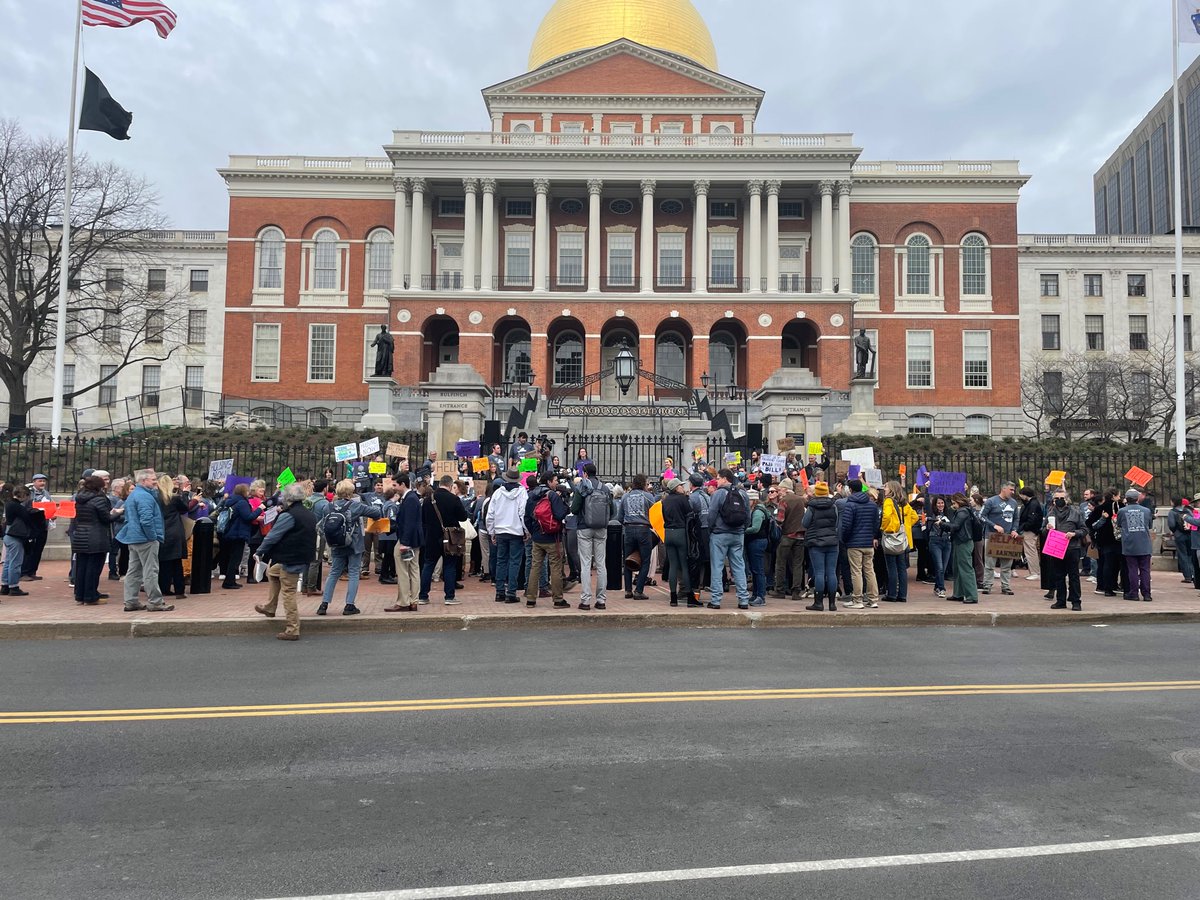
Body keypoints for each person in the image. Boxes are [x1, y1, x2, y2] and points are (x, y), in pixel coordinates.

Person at [251, 483, 317, 640]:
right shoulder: (308, 514)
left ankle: (292, 628)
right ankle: (270, 607)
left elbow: (273, 535)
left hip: (290, 557)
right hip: (301, 555)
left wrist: (260, 551)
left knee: (289, 592)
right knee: (272, 572)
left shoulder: (289, 515)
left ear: (288, 498)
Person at [319, 479, 384, 615]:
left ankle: (324, 604)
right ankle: (349, 605)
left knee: (334, 573)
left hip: (336, 544)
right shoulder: (355, 506)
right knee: (354, 572)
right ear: (350, 493)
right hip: (354, 544)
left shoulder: (328, 507)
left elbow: (321, 525)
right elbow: (376, 513)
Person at [117, 469, 173, 612]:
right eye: (153, 480)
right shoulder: (145, 497)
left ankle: (131, 601)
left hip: (134, 537)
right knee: (150, 571)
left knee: (134, 570)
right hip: (145, 538)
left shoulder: (135, 495)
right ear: (143, 481)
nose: (156, 482)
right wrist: (152, 536)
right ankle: (155, 602)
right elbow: (146, 520)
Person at [707, 468, 752, 610]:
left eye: (718, 478)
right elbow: (748, 516)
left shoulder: (718, 493)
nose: (717, 481)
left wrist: (711, 529)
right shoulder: (742, 494)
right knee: (739, 567)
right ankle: (743, 599)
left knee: (717, 567)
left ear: (725, 478)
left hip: (720, 534)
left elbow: (711, 514)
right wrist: (742, 529)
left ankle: (716, 600)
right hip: (738, 534)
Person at [522, 472, 568, 608]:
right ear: (548, 482)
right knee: (555, 567)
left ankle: (530, 598)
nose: (556, 483)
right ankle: (558, 599)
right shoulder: (552, 495)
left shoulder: (531, 494)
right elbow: (560, 515)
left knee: (535, 566)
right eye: (555, 480)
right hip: (553, 537)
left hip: (537, 537)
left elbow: (526, 517)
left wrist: (533, 532)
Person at [420, 475, 468, 605]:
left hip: (431, 537)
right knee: (450, 566)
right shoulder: (454, 499)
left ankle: (423, 596)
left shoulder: (428, 500)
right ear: (451, 485)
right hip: (450, 538)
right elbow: (463, 517)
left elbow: (423, 519)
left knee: (428, 565)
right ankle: (449, 596)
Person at [571, 462, 611, 611]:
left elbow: (574, 509)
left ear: (585, 474)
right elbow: (611, 509)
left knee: (586, 564)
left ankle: (585, 600)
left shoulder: (582, 486)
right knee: (601, 564)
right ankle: (601, 600)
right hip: (601, 528)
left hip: (584, 528)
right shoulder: (605, 488)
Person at [486, 469, 527, 605]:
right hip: (515, 531)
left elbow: (490, 514)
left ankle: (499, 591)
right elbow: (523, 512)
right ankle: (511, 592)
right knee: (514, 561)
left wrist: (492, 532)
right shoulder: (521, 492)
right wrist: (526, 530)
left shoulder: (498, 493)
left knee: (501, 561)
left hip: (500, 531)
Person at [71, 475, 113, 605]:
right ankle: (90, 595)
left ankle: (80, 594)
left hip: (80, 535)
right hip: (96, 536)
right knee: (93, 568)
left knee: (81, 566)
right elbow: (106, 518)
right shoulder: (99, 499)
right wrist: (118, 513)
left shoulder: (80, 498)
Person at [839, 479, 881, 610]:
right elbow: (876, 524)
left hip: (854, 543)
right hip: (868, 542)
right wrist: (873, 536)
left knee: (856, 571)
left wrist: (845, 539)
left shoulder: (850, 505)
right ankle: (873, 599)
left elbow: (846, 526)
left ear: (851, 490)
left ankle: (857, 599)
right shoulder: (872, 505)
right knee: (869, 570)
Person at [384, 475, 423, 612]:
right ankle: (413, 601)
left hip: (408, 540)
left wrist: (404, 542)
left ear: (402, 484)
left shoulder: (410, 499)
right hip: (412, 539)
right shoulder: (410, 498)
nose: (393, 488)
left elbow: (409, 523)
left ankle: (404, 601)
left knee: (404, 571)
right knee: (413, 569)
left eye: (395, 485)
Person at [1044, 488, 1086, 611]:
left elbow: (1084, 529)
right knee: (1059, 576)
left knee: (1074, 576)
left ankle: (1076, 601)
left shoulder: (1075, 512)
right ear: (1053, 500)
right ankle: (1060, 601)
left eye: (1062, 498)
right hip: (1056, 547)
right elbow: (1042, 531)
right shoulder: (1050, 513)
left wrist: (1074, 533)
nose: (1059, 501)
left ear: (1066, 500)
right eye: (1057, 498)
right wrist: (1047, 528)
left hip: (1072, 548)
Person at [800, 482, 838, 611]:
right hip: (832, 541)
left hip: (816, 542)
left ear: (816, 493)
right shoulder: (834, 506)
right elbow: (837, 522)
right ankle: (832, 603)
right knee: (831, 572)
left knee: (819, 572)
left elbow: (804, 523)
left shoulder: (812, 507)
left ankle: (819, 602)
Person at [660, 477, 696, 607]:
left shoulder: (665, 501)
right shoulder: (683, 499)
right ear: (676, 487)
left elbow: (663, 516)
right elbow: (690, 513)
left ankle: (673, 597)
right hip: (680, 532)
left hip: (668, 532)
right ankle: (689, 595)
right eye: (681, 485)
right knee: (683, 565)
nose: (682, 487)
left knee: (673, 566)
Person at [619, 474, 656, 600]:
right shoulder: (649, 496)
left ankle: (628, 590)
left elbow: (620, 517)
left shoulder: (625, 497)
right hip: (644, 529)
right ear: (643, 483)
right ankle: (639, 590)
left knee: (628, 560)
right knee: (645, 560)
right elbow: (655, 515)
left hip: (628, 530)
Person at [881, 481, 917, 602]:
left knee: (891, 568)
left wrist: (883, 528)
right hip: (902, 539)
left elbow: (886, 516)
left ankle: (892, 594)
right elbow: (915, 517)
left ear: (891, 489)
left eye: (886, 487)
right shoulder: (905, 503)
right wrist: (906, 526)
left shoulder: (888, 501)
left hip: (892, 536)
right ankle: (902, 595)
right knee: (902, 568)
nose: (884, 489)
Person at [771, 480, 807, 601]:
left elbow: (780, 520)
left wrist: (777, 523)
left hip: (787, 536)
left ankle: (779, 589)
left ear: (786, 489)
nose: (779, 491)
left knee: (780, 563)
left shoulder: (784, 501)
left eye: (780, 489)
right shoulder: (802, 500)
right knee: (797, 564)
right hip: (801, 536)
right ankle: (796, 591)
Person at [981, 481, 1019, 596]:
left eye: (1013, 490)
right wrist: (994, 525)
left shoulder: (1013, 503)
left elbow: (1016, 518)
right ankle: (987, 585)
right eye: (1010, 490)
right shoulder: (991, 501)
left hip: (1008, 537)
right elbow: (981, 516)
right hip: (992, 536)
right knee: (989, 563)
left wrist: (1014, 529)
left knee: (1007, 564)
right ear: (1003, 489)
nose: (1013, 492)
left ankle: (1006, 586)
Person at [218, 483, 259, 590]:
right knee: (235, 559)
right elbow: (248, 517)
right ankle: (229, 582)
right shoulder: (242, 503)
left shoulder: (231, 501)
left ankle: (230, 580)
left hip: (230, 532)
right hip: (238, 533)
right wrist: (260, 509)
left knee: (232, 557)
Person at [1117, 489, 1154, 602]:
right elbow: (1150, 525)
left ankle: (1134, 593)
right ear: (1137, 498)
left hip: (1129, 543)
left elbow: (1119, 524)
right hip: (1144, 543)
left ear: (1126, 499)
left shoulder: (1122, 511)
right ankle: (1147, 594)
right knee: (1145, 570)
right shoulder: (1146, 511)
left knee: (1132, 569)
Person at [157, 474, 189, 600]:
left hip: (162, 530)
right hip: (174, 530)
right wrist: (185, 494)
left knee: (163, 562)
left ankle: (164, 587)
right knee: (176, 563)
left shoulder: (155, 498)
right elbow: (185, 508)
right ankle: (179, 590)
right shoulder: (174, 498)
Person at [2, 484, 32, 597]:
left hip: (8, 534)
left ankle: (5, 585)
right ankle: (14, 586)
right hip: (15, 535)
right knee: (16, 562)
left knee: (8, 562)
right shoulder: (17, 506)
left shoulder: (8, 504)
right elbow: (27, 518)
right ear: (23, 495)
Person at [949, 493, 979, 604]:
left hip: (963, 542)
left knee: (966, 568)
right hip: (962, 541)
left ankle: (971, 595)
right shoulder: (967, 511)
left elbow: (956, 526)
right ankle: (958, 593)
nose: (953, 505)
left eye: (954, 503)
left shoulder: (962, 512)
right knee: (957, 568)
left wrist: (942, 524)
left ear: (958, 502)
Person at [743, 489, 770, 606]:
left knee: (758, 570)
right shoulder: (758, 510)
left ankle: (760, 596)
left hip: (757, 541)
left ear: (753, 500)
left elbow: (755, 528)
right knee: (755, 569)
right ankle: (756, 594)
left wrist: (743, 531)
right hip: (757, 541)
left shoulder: (758, 512)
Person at [927, 496, 953, 599]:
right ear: (934, 504)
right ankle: (942, 589)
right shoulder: (931, 513)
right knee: (940, 567)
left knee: (944, 567)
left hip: (947, 542)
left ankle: (937, 586)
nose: (940, 505)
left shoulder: (949, 513)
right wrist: (927, 490)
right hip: (935, 541)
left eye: (942, 503)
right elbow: (926, 505)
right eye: (938, 503)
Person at [1168, 497, 1195, 586]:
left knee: (1182, 555)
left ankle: (1187, 576)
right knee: (1190, 555)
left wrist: (1175, 531)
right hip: (1190, 534)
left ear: (1173, 502)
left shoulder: (1172, 512)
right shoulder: (1188, 511)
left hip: (1179, 535)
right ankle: (1194, 574)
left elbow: (1171, 525)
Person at [1017, 486, 1043, 582]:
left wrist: (1025, 527)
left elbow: (1031, 520)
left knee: (1030, 551)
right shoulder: (1033, 503)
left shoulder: (1032, 504)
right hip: (1031, 530)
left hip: (1030, 531)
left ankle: (1034, 572)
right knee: (1031, 551)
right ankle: (1035, 572)